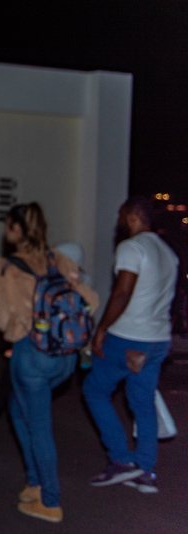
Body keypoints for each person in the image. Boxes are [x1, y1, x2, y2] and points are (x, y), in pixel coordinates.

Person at [0, 203, 98, 523]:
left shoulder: (6, 267)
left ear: (18, 230)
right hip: (64, 358)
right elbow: (92, 300)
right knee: (18, 411)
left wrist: (15, 327)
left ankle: (50, 500)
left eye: (8, 225)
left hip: (31, 356)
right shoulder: (58, 259)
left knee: (39, 425)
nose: (5, 231)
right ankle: (34, 482)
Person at [83, 196, 178, 494]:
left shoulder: (131, 247)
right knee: (143, 402)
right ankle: (145, 471)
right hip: (158, 340)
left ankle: (121, 461)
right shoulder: (168, 253)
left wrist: (102, 329)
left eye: (122, 215)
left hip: (128, 338)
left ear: (134, 217)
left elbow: (122, 293)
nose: (119, 222)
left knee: (95, 390)